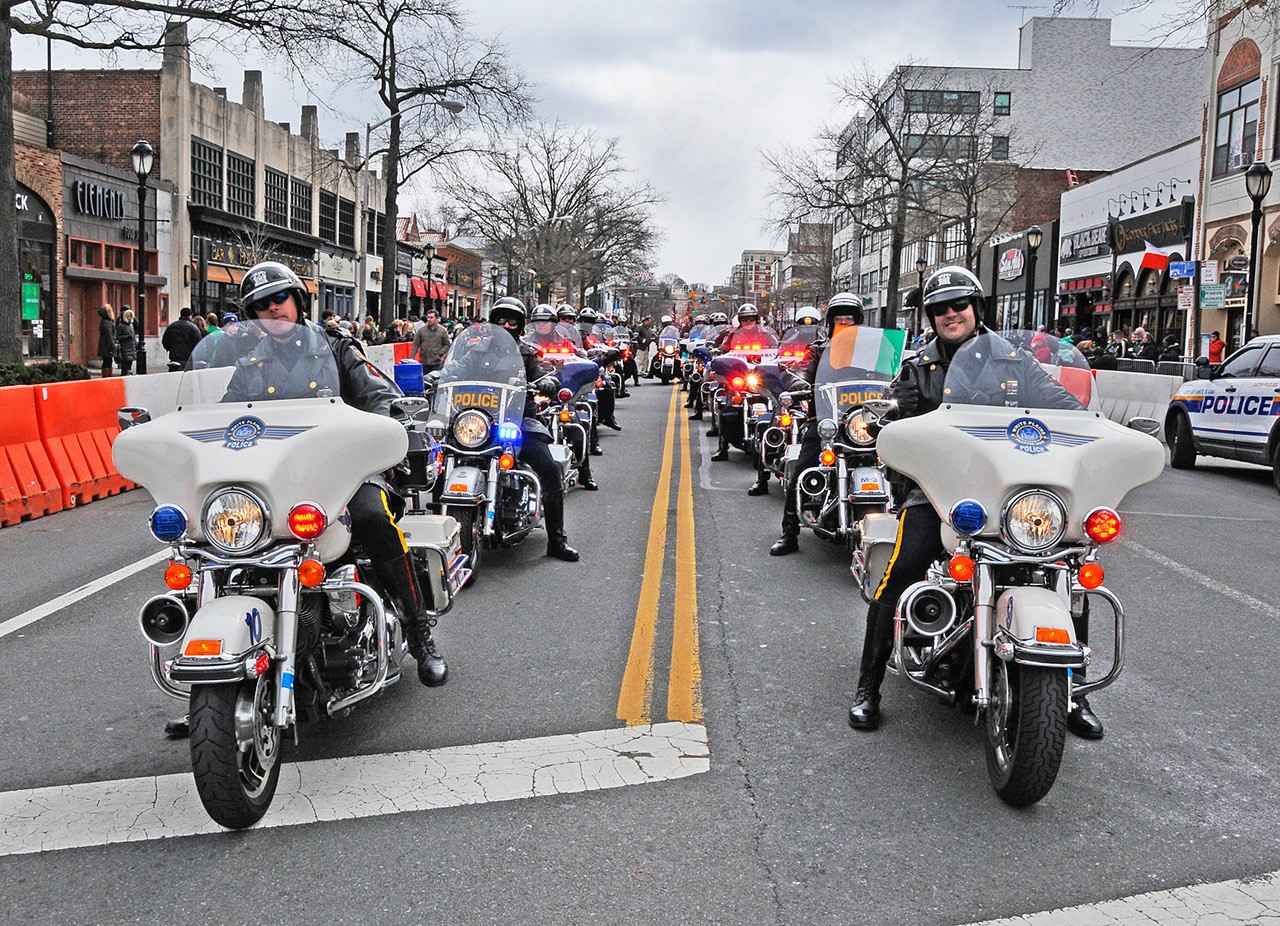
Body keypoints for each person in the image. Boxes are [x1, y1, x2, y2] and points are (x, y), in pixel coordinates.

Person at [847, 266, 1100, 739]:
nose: (950, 314)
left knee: (1070, 568)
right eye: (939, 308)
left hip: (1015, 492)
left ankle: (1072, 692)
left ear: (976, 307)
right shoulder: (917, 368)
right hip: (942, 494)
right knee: (902, 568)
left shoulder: (1014, 361)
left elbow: (1060, 403)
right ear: (931, 316)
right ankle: (869, 687)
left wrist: (1095, 427)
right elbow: (904, 429)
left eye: (958, 304)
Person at [234, 261, 448, 687]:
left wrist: (384, 422)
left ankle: (419, 629)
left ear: (297, 301)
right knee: (228, 536)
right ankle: (217, 668)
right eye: (261, 305)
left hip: (344, 473)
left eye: (279, 298)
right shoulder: (249, 365)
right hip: (279, 480)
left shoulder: (336, 348)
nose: (273, 309)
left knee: (372, 517)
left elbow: (377, 394)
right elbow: (226, 416)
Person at [768, 292, 864, 554]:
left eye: (850, 319)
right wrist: (799, 382)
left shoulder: (871, 351)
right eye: (839, 319)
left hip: (863, 422)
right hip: (826, 421)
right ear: (831, 323)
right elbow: (801, 371)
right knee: (803, 468)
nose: (845, 323)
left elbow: (891, 374)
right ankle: (789, 532)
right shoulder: (819, 349)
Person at [489, 297, 582, 561]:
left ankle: (557, 540)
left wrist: (547, 381)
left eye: (512, 321)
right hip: (481, 422)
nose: (506, 325)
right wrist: (437, 375)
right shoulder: (476, 350)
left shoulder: (528, 353)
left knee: (550, 471)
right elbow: (459, 369)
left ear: (520, 326)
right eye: (500, 320)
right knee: (444, 454)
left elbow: (543, 371)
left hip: (518, 421)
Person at [410, 309, 452, 374]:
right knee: (425, 381)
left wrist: (439, 354)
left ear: (436, 318)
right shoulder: (421, 330)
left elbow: (447, 344)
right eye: (428, 317)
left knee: (435, 381)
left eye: (431, 317)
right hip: (424, 362)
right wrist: (412, 358)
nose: (429, 319)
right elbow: (415, 345)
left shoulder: (443, 330)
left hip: (437, 363)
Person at [115, 308, 138, 376]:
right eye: (128, 316)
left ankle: (128, 374)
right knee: (125, 364)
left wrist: (136, 345)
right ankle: (125, 374)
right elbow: (117, 337)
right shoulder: (121, 326)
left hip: (131, 347)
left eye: (131, 316)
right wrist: (126, 337)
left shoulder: (131, 325)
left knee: (129, 363)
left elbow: (133, 336)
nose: (129, 318)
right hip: (124, 348)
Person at [96, 304, 117, 376]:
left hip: (105, 345)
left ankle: (107, 376)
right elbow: (109, 335)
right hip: (107, 346)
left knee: (108, 361)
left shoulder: (105, 321)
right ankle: (107, 376)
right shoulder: (107, 322)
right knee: (107, 361)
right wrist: (113, 346)